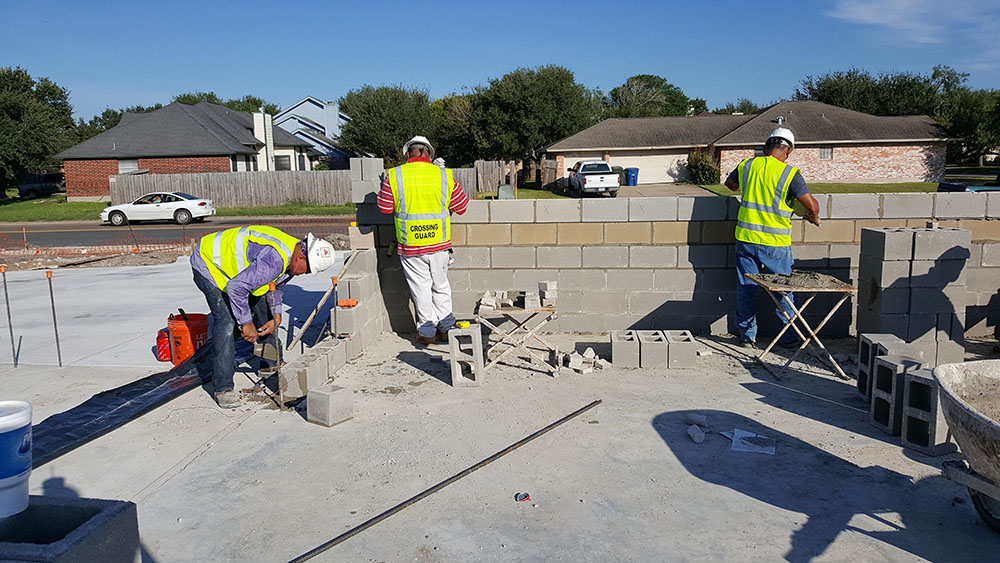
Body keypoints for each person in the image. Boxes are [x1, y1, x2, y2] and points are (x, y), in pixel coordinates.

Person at [191, 226, 337, 408]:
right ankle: (223, 387)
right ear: (301, 258)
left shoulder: (293, 254)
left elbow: (276, 284)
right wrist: (246, 323)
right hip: (208, 262)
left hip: (242, 273)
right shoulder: (275, 260)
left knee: (265, 313)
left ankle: (270, 365)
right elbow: (236, 288)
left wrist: (276, 313)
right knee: (227, 322)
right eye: (307, 271)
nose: (305, 274)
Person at [724, 127, 820, 349]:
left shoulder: (748, 165)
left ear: (766, 147)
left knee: (746, 287)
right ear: (788, 151)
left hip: (746, 239)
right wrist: (812, 217)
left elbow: (730, 185)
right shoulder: (789, 173)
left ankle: (747, 337)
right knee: (783, 290)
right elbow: (811, 204)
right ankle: (787, 338)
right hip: (775, 244)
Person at [379, 135, 469, 345]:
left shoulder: (394, 175)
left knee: (421, 288)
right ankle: (447, 328)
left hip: (412, 246)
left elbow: (384, 208)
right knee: (441, 286)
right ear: (429, 153)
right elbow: (462, 207)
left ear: (408, 152)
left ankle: (428, 333)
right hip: (439, 246)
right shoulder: (444, 175)